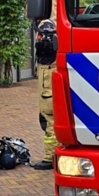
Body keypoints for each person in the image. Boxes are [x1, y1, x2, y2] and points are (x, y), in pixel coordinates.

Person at [32, 19, 58, 171]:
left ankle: (50, 157)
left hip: (47, 88)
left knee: (49, 119)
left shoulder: (46, 44)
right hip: (47, 83)